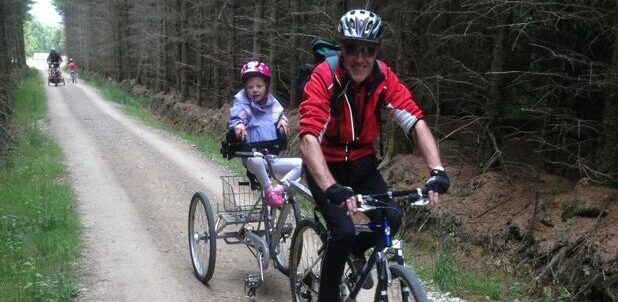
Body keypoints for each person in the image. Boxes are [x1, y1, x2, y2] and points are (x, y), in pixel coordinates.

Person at [298, 9, 450, 301]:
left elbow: (415, 121)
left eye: (368, 50)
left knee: (392, 219)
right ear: (341, 49)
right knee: (342, 233)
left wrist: (437, 170)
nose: (359, 57)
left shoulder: (383, 76)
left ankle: (356, 252)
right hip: (325, 166)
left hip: (362, 165)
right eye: (352, 48)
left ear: (376, 51)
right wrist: (331, 187)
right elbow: (308, 139)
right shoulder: (325, 75)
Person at [229, 60, 303, 208]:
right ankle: (269, 192)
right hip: (252, 157)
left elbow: (279, 114)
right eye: (250, 87)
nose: (255, 90)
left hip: (271, 158)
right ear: (245, 88)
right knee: (255, 160)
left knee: (302, 165)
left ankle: (279, 189)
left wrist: (283, 119)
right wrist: (238, 124)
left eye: (259, 86)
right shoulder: (242, 103)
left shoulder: (272, 103)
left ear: (266, 86)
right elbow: (236, 117)